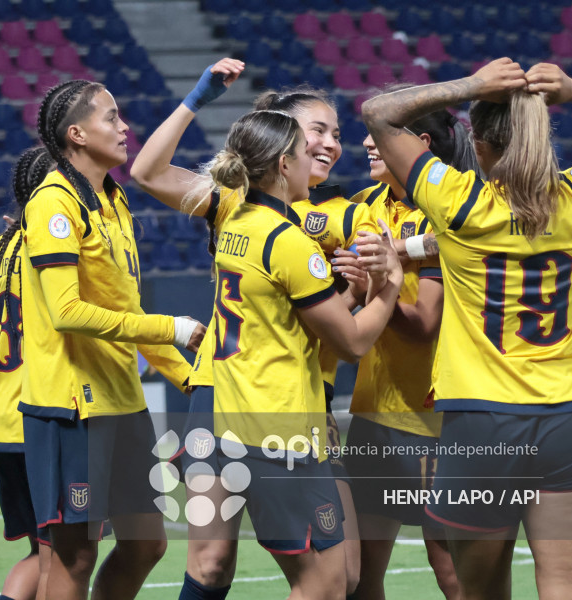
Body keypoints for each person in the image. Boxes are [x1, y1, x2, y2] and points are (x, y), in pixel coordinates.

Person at [361, 58, 572, 599]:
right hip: (568, 419)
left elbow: (380, 113)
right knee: (568, 588)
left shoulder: (460, 203)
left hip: (480, 424)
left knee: (482, 593)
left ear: (483, 147)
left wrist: (473, 85)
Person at [130, 60, 364, 598]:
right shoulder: (233, 204)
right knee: (211, 562)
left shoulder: (339, 213)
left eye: (336, 133)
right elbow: (148, 173)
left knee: (343, 574)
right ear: (283, 145)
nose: (330, 143)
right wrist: (196, 99)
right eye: (317, 131)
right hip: (220, 399)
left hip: (297, 401)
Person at [205, 108, 402, 600]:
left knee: (330, 579)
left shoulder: (237, 222)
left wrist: (351, 298)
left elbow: (291, 325)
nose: (316, 155)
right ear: (282, 165)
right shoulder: (290, 242)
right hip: (284, 434)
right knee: (326, 584)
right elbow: (353, 343)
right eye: (304, 150)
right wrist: (388, 289)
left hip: (240, 422)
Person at [19, 80, 205, 600]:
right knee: (76, 555)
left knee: (148, 545)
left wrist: (189, 378)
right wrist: (173, 328)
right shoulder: (53, 203)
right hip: (72, 408)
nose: (125, 127)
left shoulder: (113, 199)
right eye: (112, 118)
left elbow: (126, 312)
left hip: (124, 401)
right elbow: (68, 312)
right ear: (76, 134)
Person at [334, 103, 477, 600]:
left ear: (419, 144)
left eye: (380, 136)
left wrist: (385, 285)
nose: (368, 144)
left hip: (433, 414)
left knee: (449, 564)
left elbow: (424, 326)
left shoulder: (448, 210)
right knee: (363, 570)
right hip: (375, 409)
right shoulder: (364, 205)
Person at [0, 146, 54, 600]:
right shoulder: (52, 248)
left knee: (41, 553)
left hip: (2, 418)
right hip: (43, 413)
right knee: (61, 558)